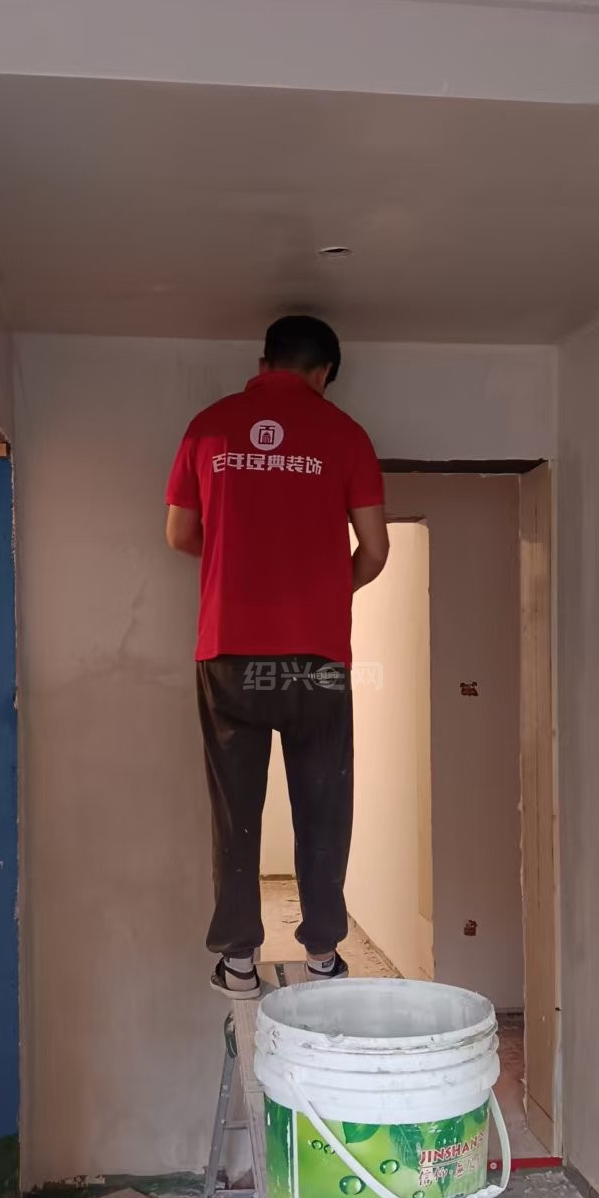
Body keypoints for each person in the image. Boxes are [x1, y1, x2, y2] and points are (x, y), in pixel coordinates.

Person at [165, 315, 389, 997]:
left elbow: (178, 534)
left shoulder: (208, 428)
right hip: (315, 658)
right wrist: (326, 591)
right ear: (324, 373)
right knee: (322, 800)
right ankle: (321, 953)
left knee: (234, 807)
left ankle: (238, 960)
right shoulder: (346, 435)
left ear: (263, 363)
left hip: (228, 653)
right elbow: (376, 549)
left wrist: (236, 569)